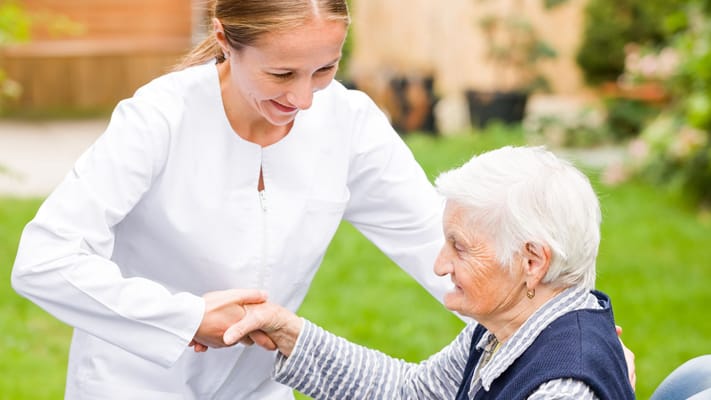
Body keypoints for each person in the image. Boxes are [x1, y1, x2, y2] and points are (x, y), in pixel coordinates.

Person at [10, 1, 634, 399]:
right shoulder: (159, 120)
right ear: (225, 40)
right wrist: (184, 317)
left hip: (259, 386)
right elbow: (43, 260)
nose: (304, 100)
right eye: (281, 75)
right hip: (135, 383)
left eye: (325, 70)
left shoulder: (347, 122)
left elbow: (448, 249)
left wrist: (569, 334)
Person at [220, 146, 637, 399]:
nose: (440, 265)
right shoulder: (506, 329)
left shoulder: (562, 388)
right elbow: (411, 394)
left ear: (531, 262)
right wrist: (288, 334)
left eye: (459, 246)